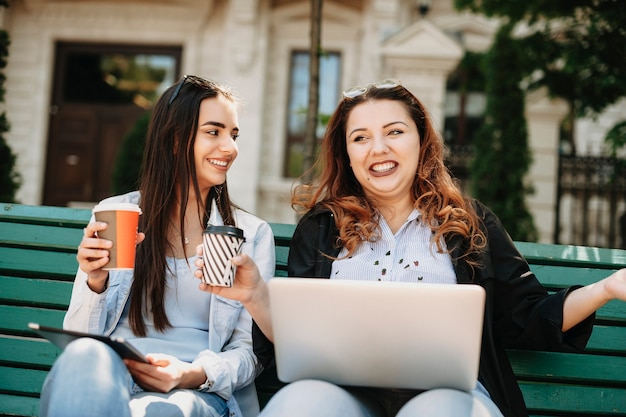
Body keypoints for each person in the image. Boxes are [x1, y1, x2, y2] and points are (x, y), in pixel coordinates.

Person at [197, 79, 626, 417]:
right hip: (341, 391)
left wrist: (606, 289)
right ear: (347, 153)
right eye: (360, 138)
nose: (378, 148)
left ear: (421, 140)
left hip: (447, 394)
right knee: (302, 406)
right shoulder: (322, 227)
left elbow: (528, 318)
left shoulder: (469, 223)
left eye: (394, 132)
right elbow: (295, 341)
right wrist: (255, 296)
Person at [39, 75, 276, 417]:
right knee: (85, 357)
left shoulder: (249, 234)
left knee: (164, 411)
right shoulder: (117, 214)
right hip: (109, 378)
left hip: (197, 391)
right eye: (214, 131)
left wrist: (191, 374)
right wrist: (95, 282)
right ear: (176, 139)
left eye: (233, 134)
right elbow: (79, 336)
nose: (230, 147)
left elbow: (248, 351)